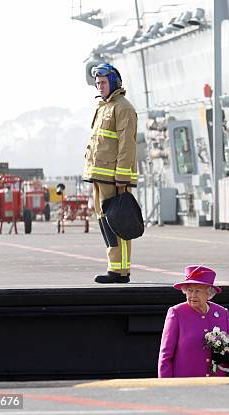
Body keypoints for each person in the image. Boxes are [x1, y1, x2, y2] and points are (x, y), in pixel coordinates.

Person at [82, 63, 139, 284]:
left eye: (103, 82)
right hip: (99, 176)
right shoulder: (102, 106)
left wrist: (122, 178)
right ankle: (114, 267)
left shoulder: (123, 108)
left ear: (114, 82)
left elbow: (127, 145)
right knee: (106, 222)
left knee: (119, 222)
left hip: (114, 178)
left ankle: (121, 272)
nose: (100, 86)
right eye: (97, 83)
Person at [158, 265, 229, 377]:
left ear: (209, 293)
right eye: (189, 290)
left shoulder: (221, 313)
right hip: (186, 385)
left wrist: (225, 357)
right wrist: (166, 387)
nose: (192, 295)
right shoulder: (177, 313)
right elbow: (165, 356)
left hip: (216, 384)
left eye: (198, 291)